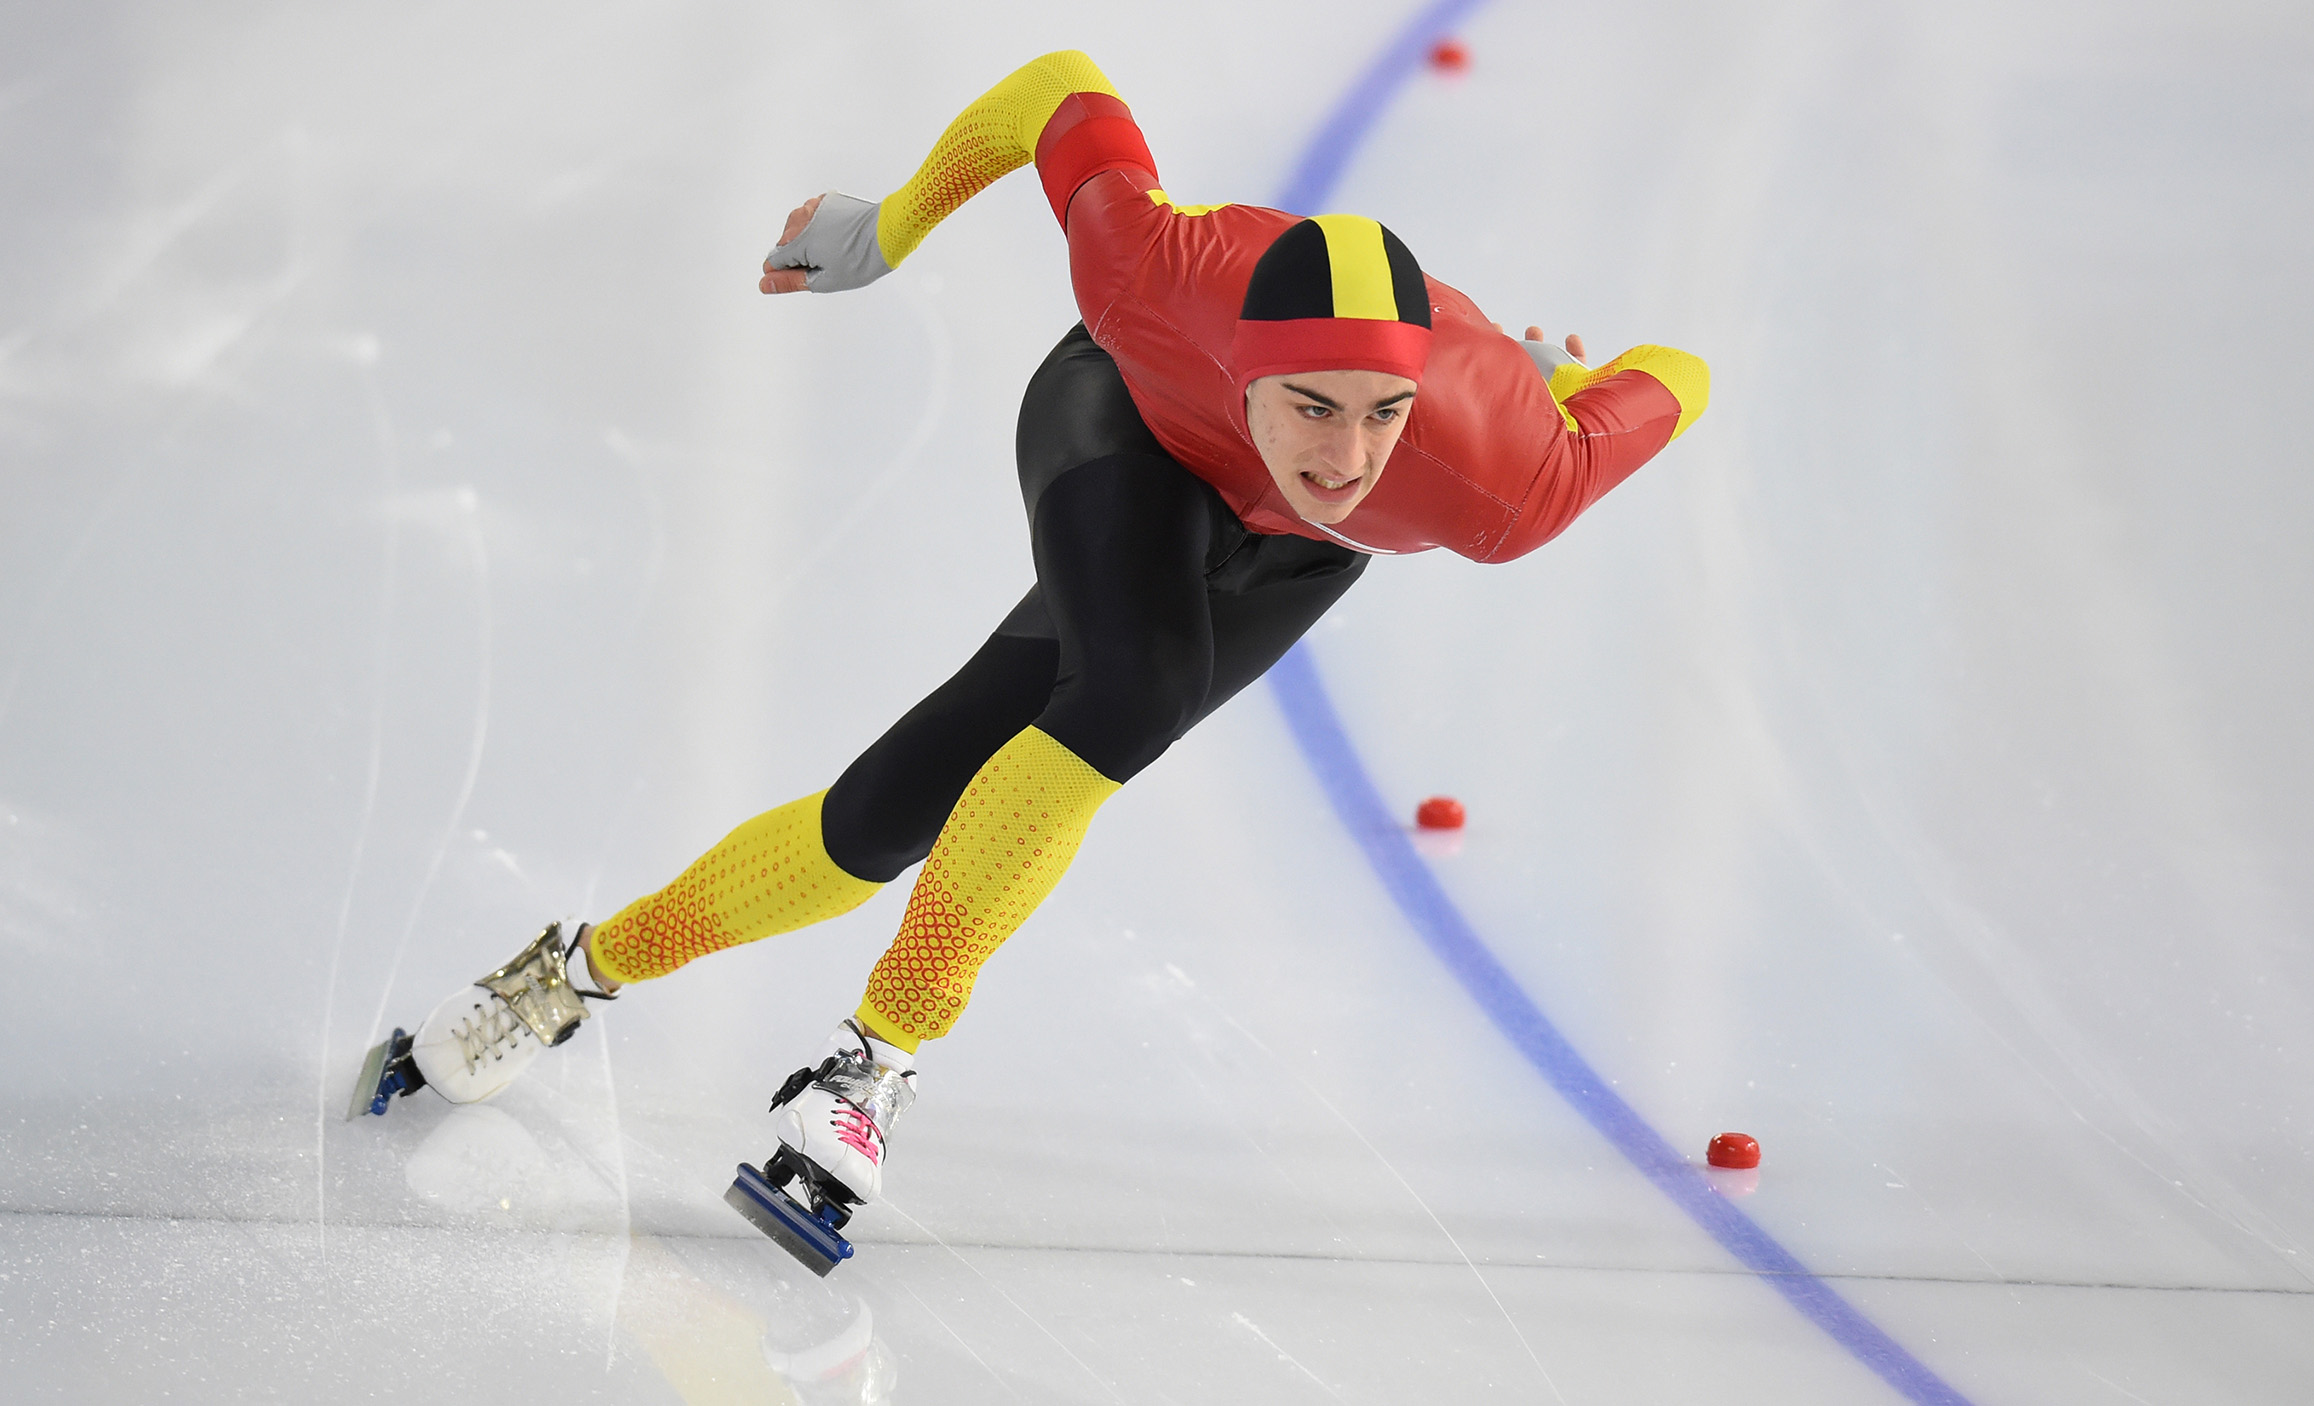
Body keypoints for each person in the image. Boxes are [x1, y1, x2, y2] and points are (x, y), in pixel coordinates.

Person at [366, 51, 1706, 1241]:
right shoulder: (1154, 272)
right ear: (1251, 360)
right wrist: (887, 228)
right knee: (1133, 688)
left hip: (1282, 557)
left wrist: (1566, 389)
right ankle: (869, 1066)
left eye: (1382, 414)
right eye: (1312, 406)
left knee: (878, 819)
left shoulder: (1506, 479)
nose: (1347, 458)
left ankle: (576, 970)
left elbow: (1679, 372)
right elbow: (1054, 89)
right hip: (1128, 421)